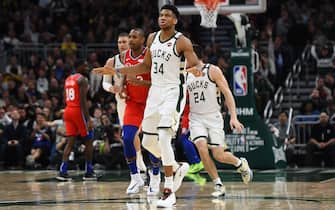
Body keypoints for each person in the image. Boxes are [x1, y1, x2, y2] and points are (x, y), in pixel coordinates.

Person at [94, 4, 203, 207]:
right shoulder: (152, 38)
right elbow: (145, 66)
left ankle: (169, 190)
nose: (163, 18)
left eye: (168, 15)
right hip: (155, 93)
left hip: (173, 91)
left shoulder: (182, 41)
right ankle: (177, 166)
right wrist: (117, 70)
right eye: (161, 15)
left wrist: (196, 69)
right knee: (147, 143)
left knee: (163, 136)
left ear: (175, 20)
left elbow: (195, 63)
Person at [185, 46, 253, 198]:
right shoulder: (184, 74)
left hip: (213, 117)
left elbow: (227, 93)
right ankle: (218, 184)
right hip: (196, 118)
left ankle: (239, 163)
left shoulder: (212, 70)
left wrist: (233, 117)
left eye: (186, 55)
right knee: (201, 147)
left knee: (219, 155)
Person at [105, 28, 161, 194]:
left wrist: (141, 83)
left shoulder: (151, 55)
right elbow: (122, 76)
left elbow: (158, 82)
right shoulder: (123, 57)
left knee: (151, 143)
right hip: (133, 104)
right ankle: (135, 177)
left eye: (134, 37)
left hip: (151, 103)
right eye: (129, 37)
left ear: (143, 40)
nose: (130, 40)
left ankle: (156, 177)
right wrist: (120, 87)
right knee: (127, 138)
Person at [102, 32, 148, 186]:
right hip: (124, 102)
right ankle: (140, 165)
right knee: (131, 134)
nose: (121, 44)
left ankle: (154, 167)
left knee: (146, 134)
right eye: (119, 42)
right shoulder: (113, 61)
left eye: (124, 42)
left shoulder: (143, 57)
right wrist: (112, 89)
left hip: (145, 99)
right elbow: (105, 82)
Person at [56, 62, 97, 181]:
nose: (87, 67)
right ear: (78, 67)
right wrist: (88, 119)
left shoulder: (68, 78)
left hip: (68, 110)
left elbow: (65, 95)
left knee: (70, 142)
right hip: (77, 111)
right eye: (84, 65)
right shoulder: (82, 79)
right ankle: (89, 171)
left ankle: (62, 172)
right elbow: (83, 101)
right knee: (89, 140)